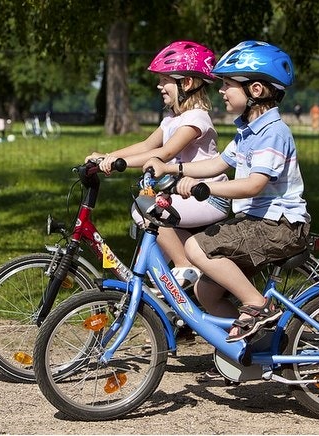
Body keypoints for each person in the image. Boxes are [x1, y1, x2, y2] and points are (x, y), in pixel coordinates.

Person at [143, 40, 310, 352]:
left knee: (195, 246)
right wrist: (175, 169)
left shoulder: (272, 133)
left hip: (279, 226)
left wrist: (204, 188)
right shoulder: (248, 131)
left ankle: (257, 305)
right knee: (207, 293)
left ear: (255, 90)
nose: (221, 90)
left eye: (229, 85)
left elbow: (252, 186)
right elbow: (219, 163)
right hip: (258, 223)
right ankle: (261, 349)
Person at [86, 40, 230, 289]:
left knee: (146, 209)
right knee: (155, 269)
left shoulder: (196, 119)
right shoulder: (173, 119)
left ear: (186, 83)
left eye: (165, 80)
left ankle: (185, 264)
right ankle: (176, 313)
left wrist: (118, 164)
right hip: (185, 197)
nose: (159, 85)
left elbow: (165, 152)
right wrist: (107, 156)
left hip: (208, 197)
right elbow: (146, 146)